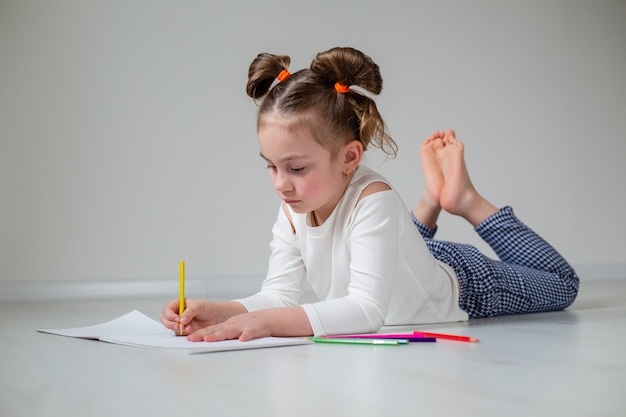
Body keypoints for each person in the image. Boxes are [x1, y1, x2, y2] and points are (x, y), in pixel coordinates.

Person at [160, 47, 579, 342]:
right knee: (397, 249)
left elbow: (366, 311)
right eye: (271, 166)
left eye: (297, 168)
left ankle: (466, 201)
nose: (280, 183)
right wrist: (224, 311)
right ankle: (428, 204)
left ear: (349, 156)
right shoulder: (292, 208)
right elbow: (278, 295)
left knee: (563, 286)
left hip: (466, 284)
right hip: (404, 263)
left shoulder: (373, 199)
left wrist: (266, 323)